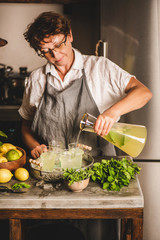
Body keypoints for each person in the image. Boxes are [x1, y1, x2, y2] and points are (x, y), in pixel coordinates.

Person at [19, 11, 152, 240]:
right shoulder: (37, 79)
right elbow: (25, 127)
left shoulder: (100, 68)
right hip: (50, 183)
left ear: (70, 35)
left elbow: (143, 92)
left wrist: (112, 112)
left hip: (96, 180)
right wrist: (35, 147)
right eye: (46, 51)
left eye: (58, 45)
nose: (55, 54)